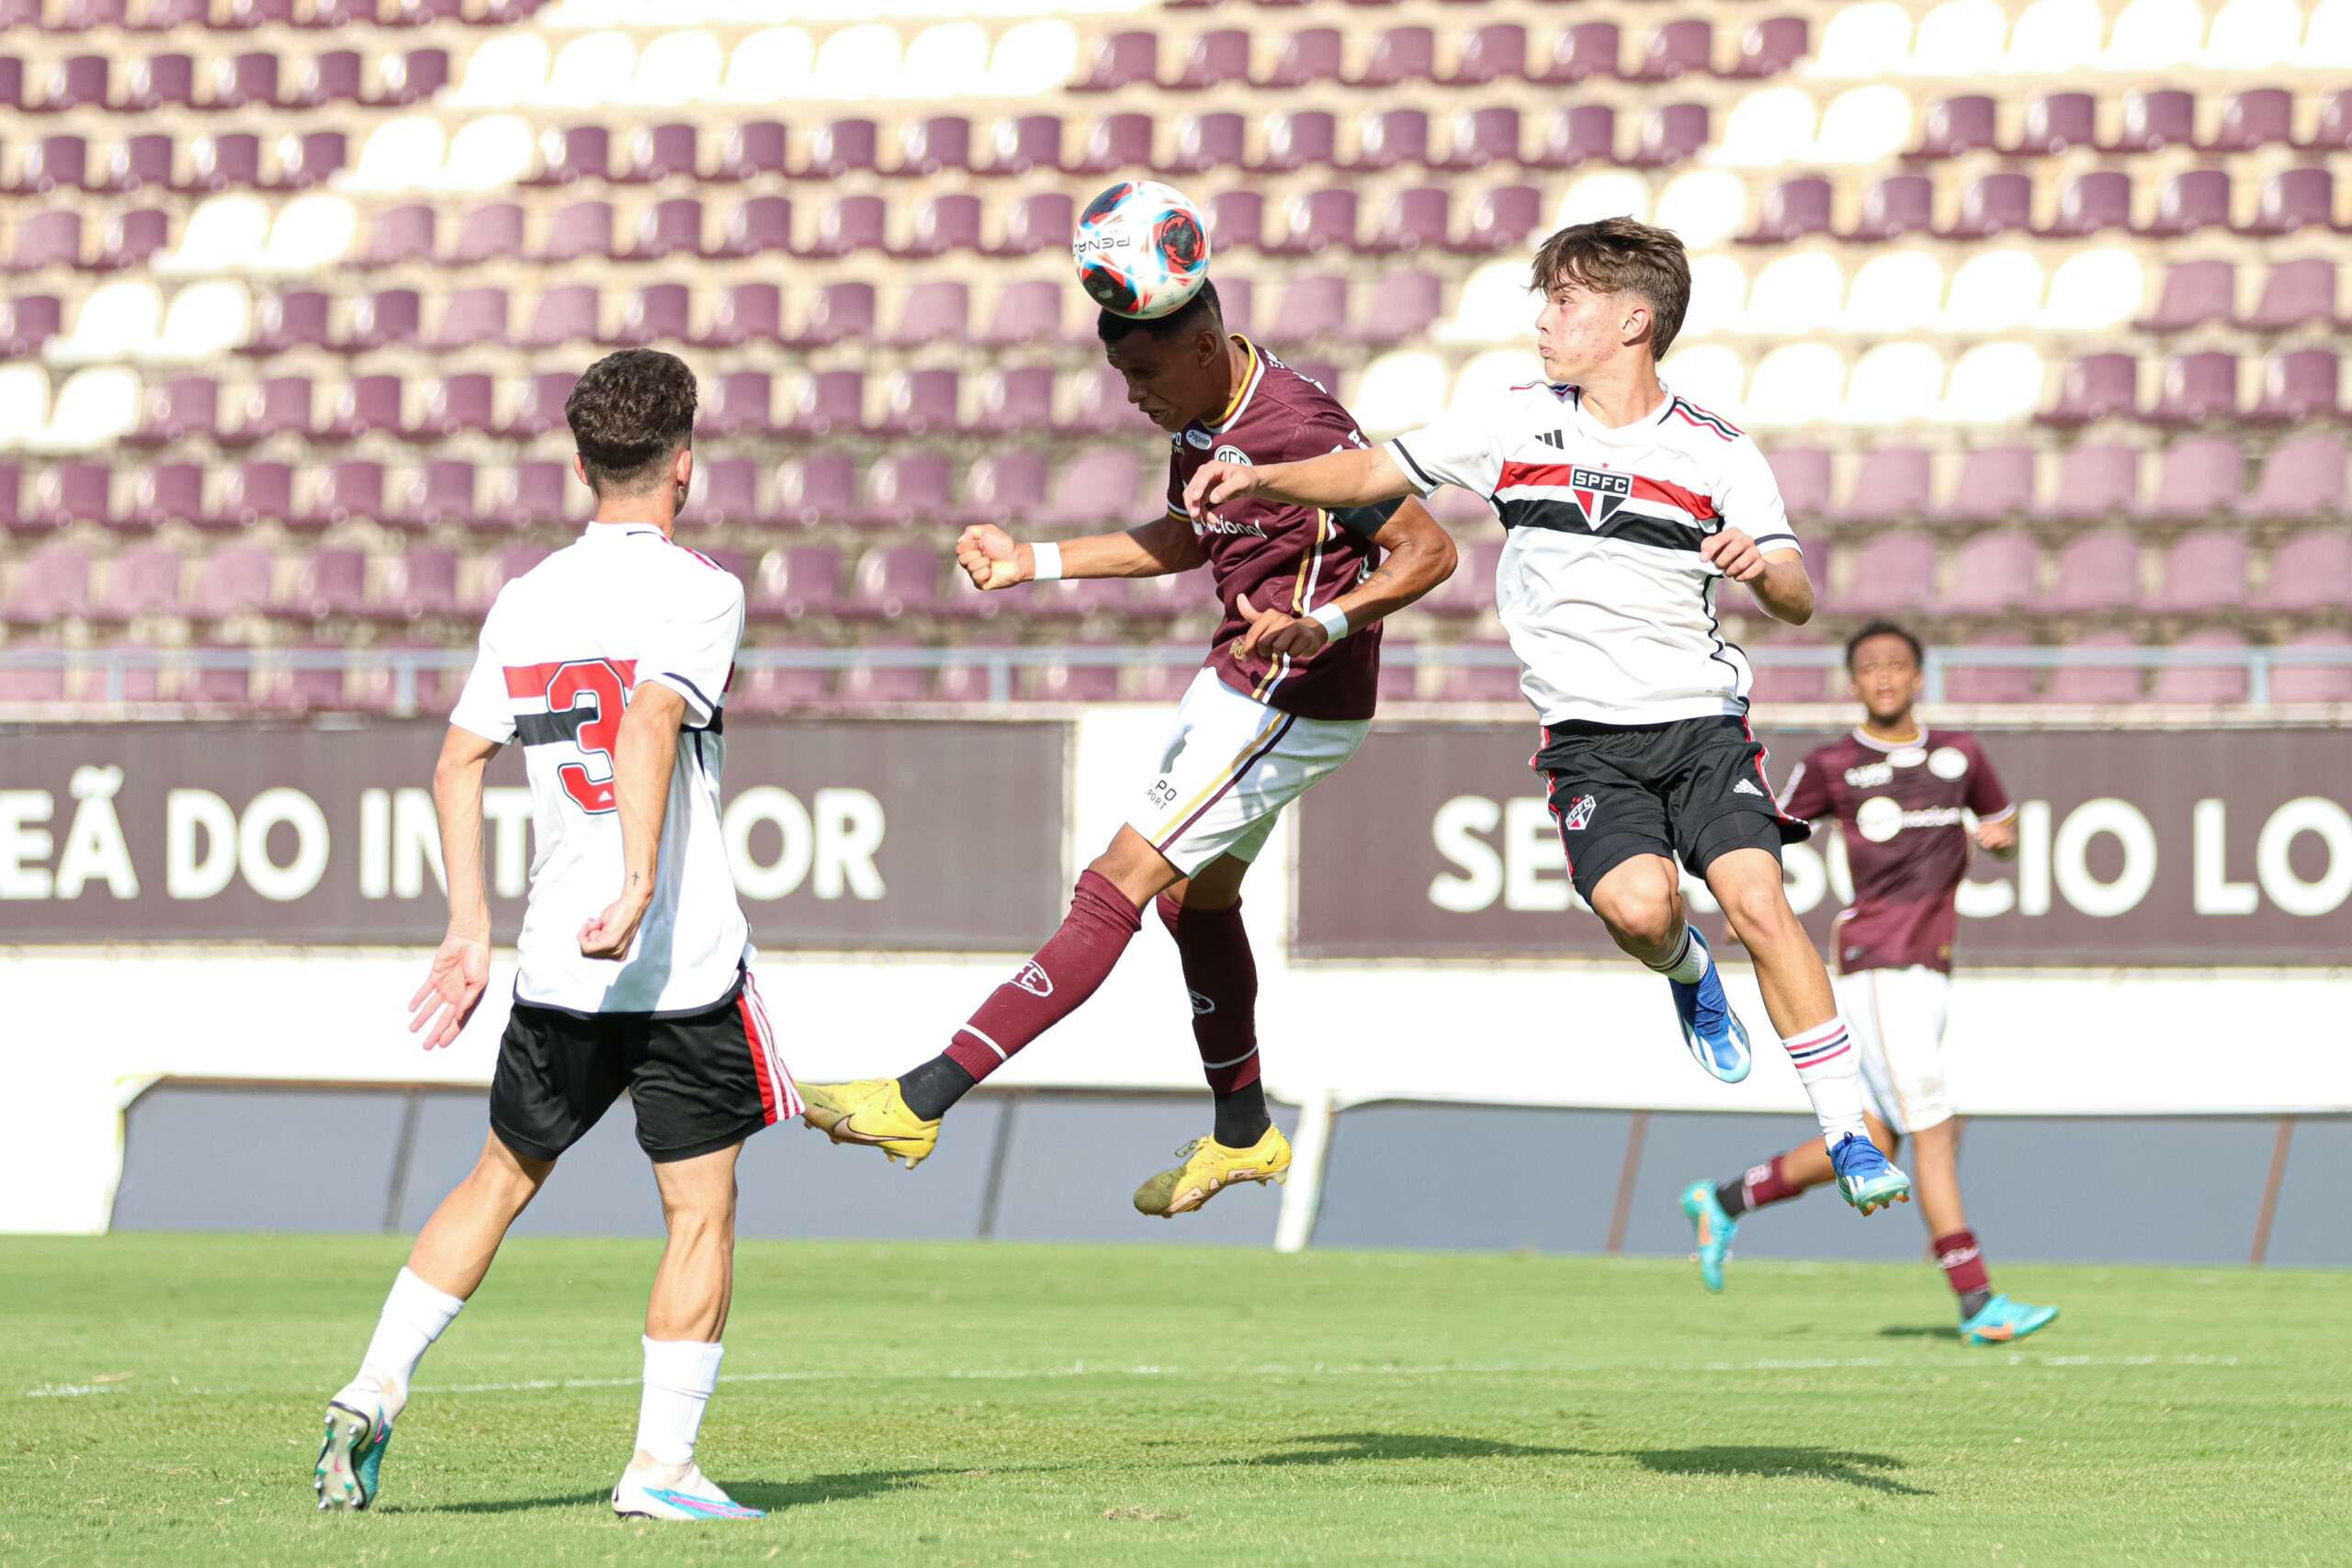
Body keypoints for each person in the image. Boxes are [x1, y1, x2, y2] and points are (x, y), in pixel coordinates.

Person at [1182, 219, 1911, 1215]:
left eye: (1566, 301)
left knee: (1757, 900)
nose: (1544, 319)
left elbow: (1796, 592)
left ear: (1632, 321)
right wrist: (1265, 473)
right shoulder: (1516, 420)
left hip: (1700, 724)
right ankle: (1683, 967)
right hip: (1588, 744)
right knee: (1641, 910)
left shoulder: (1716, 451)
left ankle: (1846, 1132)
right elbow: (1371, 473)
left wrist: (1761, 568)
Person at [796, 279, 1457, 1218]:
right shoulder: (1199, 417)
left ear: (1203, 347)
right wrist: (1036, 560)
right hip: (1239, 677)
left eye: (1143, 372)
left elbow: (1428, 550)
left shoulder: (1299, 427)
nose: (1131, 395)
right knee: (1197, 896)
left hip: (1291, 692)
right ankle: (1245, 1135)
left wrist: (1329, 623)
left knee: (1116, 883)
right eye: (1120, 373)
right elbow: (1188, 541)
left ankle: (921, 1097)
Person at [315, 349, 791, 1522]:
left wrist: (469, 928)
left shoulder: (526, 596)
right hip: (674, 965)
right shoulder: (702, 588)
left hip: (555, 969)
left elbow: (456, 761)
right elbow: (650, 717)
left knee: (500, 1177)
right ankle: (661, 1472)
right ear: (686, 462)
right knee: (700, 1212)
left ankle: (373, 1386)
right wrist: (637, 882)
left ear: (581, 465)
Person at [1679, 623, 2058, 1345]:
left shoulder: (1960, 754)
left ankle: (1723, 1199)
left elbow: (2001, 823)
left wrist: (2003, 841)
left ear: (1920, 677)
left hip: (1931, 969)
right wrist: (1748, 905)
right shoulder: (1834, 763)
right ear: (1853, 683)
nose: (1884, 678)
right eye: (1870, 668)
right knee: (1935, 1131)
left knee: (1874, 1135)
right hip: (1878, 965)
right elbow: (1767, 827)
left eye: (1898, 666)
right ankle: (1979, 1302)